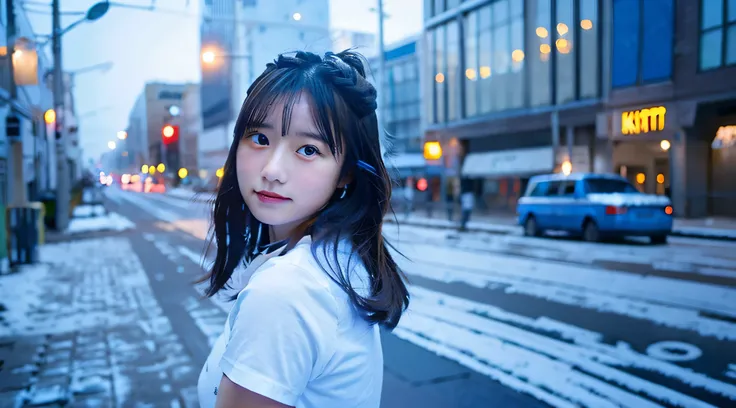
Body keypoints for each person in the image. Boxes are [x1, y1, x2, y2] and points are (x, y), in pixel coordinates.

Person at [195, 50, 410, 408]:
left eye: (308, 149)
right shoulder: (339, 256)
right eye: (260, 139)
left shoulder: (285, 291)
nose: (273, 170)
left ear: (346, 173)